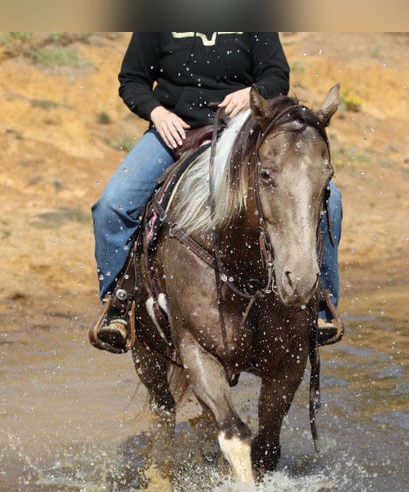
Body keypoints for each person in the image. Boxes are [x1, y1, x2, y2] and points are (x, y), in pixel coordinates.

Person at [90, 32, 343, 352]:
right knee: (112, 205)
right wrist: (157, 112)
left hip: (242, 133)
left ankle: (321, 304)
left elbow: (276, 74)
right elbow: (132, 80)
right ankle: (119, 305)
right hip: (175, 132)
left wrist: (251, 94)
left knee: (331, 203)